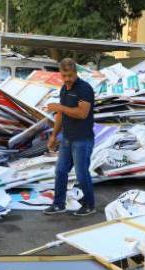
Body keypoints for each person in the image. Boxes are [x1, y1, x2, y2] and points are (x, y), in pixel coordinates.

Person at [43, 58, 96, 217]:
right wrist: (53, 135)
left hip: (82, 139)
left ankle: (89, 204)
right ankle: (59, 204)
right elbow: (60, 114)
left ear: (76, 73)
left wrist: (59, 107)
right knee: (60, 171)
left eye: (70, 75)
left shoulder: (84, 89)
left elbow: (82, 113)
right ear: (60, 74)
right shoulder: (64, 89)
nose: (67, 79)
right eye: (64, 75)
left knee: (81, 174)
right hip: (67, 138)